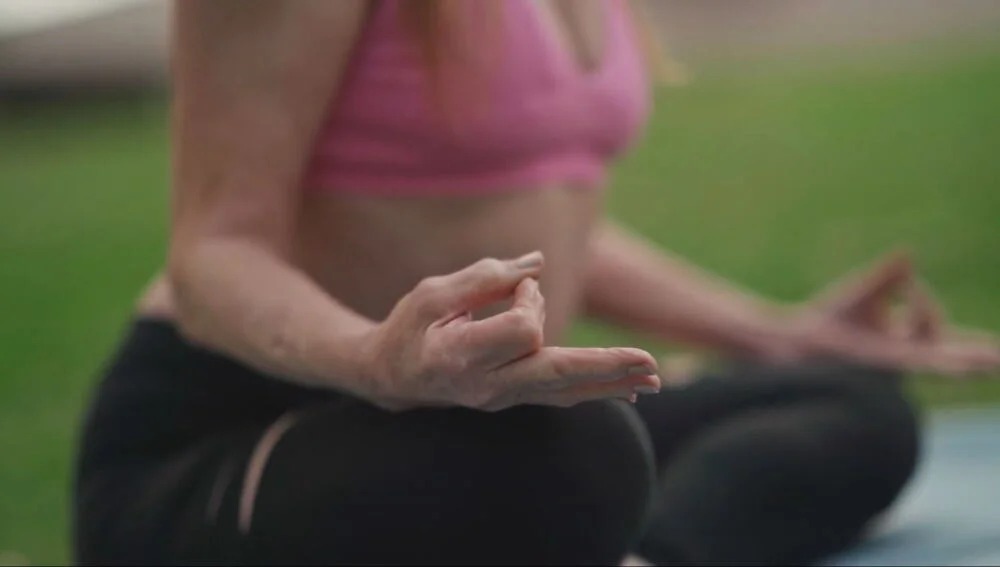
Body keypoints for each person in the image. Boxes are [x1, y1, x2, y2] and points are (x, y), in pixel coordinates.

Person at [72, 1, 1000, 565]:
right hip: (234, 432)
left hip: (476, 422)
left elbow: (533, 225)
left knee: (852, 402)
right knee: (575, 452)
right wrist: (377, 362)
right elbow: (215, 252)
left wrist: (779, 332)